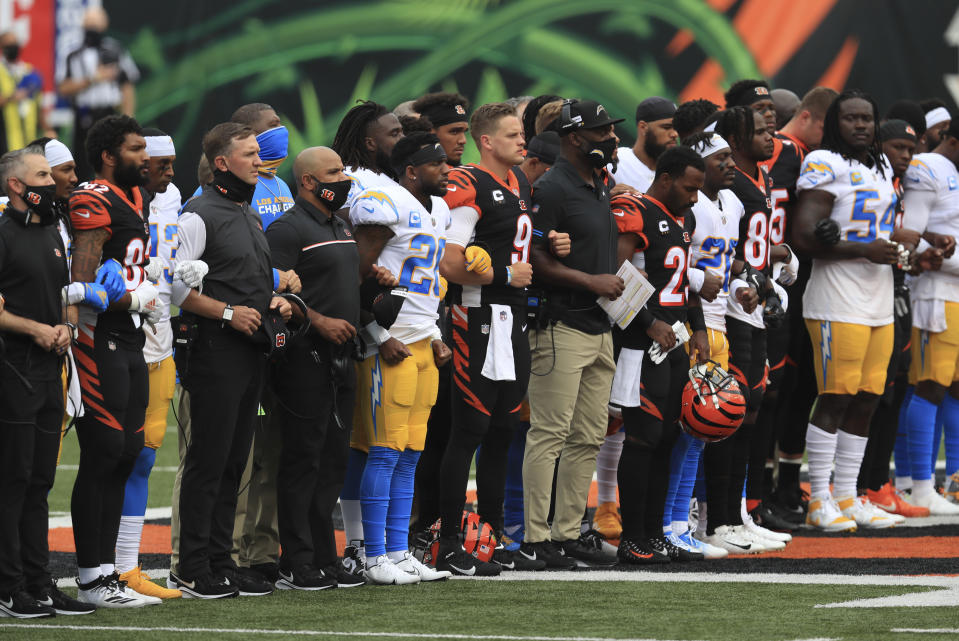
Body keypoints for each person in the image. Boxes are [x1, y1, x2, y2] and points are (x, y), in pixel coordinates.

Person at [169, 121, 291, 598]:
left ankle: (221, 560)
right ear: (222, 162)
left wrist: (276, 298)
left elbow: (246, 280)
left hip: (249, 350)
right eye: (248, 154)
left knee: (234, 461)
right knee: (209, 459)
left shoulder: (247, 212)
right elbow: (178, 290)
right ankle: (192, 567)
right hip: (215, 349)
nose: (258, 162)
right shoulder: (199, 213)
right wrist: (226, 312)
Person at [792, 90, 905, 531]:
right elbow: (803, 237)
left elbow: (878, 228)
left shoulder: (878, 166)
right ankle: (819, 498)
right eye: (851, 118)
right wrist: (865, 249)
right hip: (837, 297)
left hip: (877, 296)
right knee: (836, 396)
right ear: (834, 122)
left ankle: (847, 495)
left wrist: (900, 246)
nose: (860, 126)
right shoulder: (825, 162)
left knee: (868, 398)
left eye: (867, 119)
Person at [349, 133, 456, 584]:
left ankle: (398, 549)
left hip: (421, 342)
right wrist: (375, 331)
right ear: (411, 170)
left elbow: (422, 285)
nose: (448, 169)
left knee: (412, 452)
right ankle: (374, 556)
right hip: (387, 345)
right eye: (437, 164)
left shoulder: (430, 210)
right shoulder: (385, 202)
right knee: (386, 451)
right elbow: (353, 277)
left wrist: (433, 332)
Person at [434, 102, 536, 576]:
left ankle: (490, 536)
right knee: (470, 430)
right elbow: (450, 264)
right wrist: (504, 274)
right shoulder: (468, 183)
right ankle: (450, 540)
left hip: (510, 319)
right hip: (476, 316)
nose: (523, 142)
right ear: (487, 141)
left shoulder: (518, 184)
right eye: (514, 135)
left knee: (502, 431)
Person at [264, 146, 372, 589]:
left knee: (332, 460)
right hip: (302, 358)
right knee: (302, 459)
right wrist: (318, 321)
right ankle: (296, 559)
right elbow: (272, 297)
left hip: (342, 358)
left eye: (343, 170)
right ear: (308, 181)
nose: (342, 178)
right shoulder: (286, 229)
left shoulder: (340, 223)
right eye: (333, 172)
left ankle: (325, 555)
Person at [68, 114, 161, 607]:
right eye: (135, 148)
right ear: (108, 155)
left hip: (130, 340)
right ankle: (90, 578)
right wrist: (133, 297)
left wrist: (139, 290)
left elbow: (129, 272)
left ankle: (106, 573)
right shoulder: (93, 198)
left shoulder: (136, 197)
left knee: (128, 452)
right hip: (96, 339)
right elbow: (81, 290)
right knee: (104, 451)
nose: (144, 157)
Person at [523, 98, 619, 569]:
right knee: (550, 433)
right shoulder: (553, 186)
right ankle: (536, 537)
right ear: (575, 139)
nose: (611, 138)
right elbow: (536, 257)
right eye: (602, 132)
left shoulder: (599, 181)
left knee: (587, 436)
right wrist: (590, 282)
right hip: (560, 323)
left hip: (600, 325)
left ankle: (566, 532)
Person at [611, 145, 709, 563]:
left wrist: (700, 328)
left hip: (673, 341)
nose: (694, 198)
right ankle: (632, 536)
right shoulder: (636, 210)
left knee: (669, 436)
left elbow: (682, 281)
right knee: (642, 438)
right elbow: (613, 274)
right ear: (665, 178)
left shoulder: (681, 218)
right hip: (638, 341)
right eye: (689, 188)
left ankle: (654, 532)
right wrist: (648, 321)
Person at [706, 106, 791, 552]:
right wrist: (750, 279)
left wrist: (773, 266)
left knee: (751, 407)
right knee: (731, 411)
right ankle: (718, 516)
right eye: (759, 131)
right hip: (731, 309)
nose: (770, 137)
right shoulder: (723, 183)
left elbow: (749, 248)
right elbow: (724, 253)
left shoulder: (755, 181)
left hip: (754, 303)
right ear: (734, 139)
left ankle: (737, 511)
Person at [329, 99, 404, 575]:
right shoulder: (366, 188)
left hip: (404, 328)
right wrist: (372, 325)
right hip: (373, 333)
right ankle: (360, 546)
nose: (402, 139)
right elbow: (354, 273)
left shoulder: (389, 184)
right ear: (370, 141)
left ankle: (385, 544)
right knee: (368, 444)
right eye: (393, 133)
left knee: (394, 447)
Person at [0, 146, 76, 618]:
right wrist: (37, 330)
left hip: (52, 369)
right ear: (15, 185)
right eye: (43, 176)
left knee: (41, 481)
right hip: (14, 371)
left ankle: (37, 579)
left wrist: (65, 325)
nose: (52, 184)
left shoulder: (51, 231)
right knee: (14, 479)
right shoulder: (3, 234)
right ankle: (9, 586)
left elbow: (62, 293)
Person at [661, 132, 743, 559]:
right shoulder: (689, 210)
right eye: (722, 157)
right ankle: (668, 521)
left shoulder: (730, 203)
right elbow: (675, 267)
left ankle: (682, 521)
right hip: (686, 327)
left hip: (713, 326)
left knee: (701, 431)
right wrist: (696, 285)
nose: (731, 164)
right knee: (679, 430)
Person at [112, 128, 183, 600]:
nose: (168, 171)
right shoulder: (112, 202)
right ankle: (103, 567)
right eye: (160, 162)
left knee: (146, 455)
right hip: (119, 343)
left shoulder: (174, 197)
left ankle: (127, 567)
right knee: (110, 457)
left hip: (162, 343)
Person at [227, 102, 295, 586]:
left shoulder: (282, 187)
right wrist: (273, 276)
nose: (280, 133)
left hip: (282, 325)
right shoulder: (226, 193)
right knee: (238, 454)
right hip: (245, 326)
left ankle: (262, 553)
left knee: (274, 451)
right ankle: (226, 554)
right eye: (271, 127)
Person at [857, 120, 931, 518]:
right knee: (872, 390)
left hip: (893, 286)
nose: (906, 156)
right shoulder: (870, 176)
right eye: (899, 147)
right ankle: (861, 485)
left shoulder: (895, 181)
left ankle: (876, 483)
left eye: (911, 149)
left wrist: (918, 255)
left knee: (894, 385)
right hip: (862, 293)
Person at [899, 118, 959, 516]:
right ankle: (915, 483)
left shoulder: (950, 170)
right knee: (929, 386)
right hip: (934, 294)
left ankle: (953, 479)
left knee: (953, 386)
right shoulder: (926, 168)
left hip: (954, 292)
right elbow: (907, 235)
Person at [57, 7, 139, 181]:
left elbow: (127, 85)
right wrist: (92, 79)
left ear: (105, 25)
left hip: (110, 113)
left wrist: (128, 119)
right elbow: (63, 87)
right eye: (90, 24)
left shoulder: (115, 48)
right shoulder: (72, 52)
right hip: (84, 115)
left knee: (112, 161)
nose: (93, 29)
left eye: (96, 24)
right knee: (82, 161)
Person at [612, 97, 678, 193]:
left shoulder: (674, 176)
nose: (675, 134)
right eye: (667, 127)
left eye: (676, 128)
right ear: (643, 127)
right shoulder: (616, 162)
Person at [0, 32, 47, 153]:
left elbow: (39, 105)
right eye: (8, 45)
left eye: (15, 44)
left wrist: (47, 128)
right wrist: (11, 97)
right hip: (5, 137)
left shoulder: (30, 72)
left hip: (28, 140)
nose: (12, 48)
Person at [412, 93, 470, 166]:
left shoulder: (470, 175)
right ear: (429, 133)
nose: (463, 140)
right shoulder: (409, 175)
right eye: (454, 132)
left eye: (464, 132)